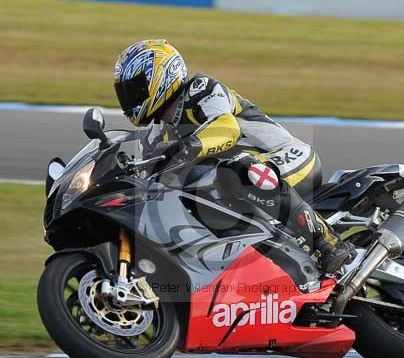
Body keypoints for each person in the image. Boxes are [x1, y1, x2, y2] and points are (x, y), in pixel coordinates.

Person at [112, 39, 354, 274]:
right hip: (240, 188)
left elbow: (226, 127)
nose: (129, 98)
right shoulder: (158, 131)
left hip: (287, 158)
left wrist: (189, 145)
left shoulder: (201, 90)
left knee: (239, 170)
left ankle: (327, 241)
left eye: (135, 89)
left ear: (162, 77)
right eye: (125, 92)